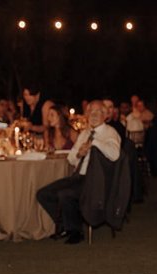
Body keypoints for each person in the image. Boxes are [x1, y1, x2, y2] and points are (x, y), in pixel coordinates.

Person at [35, 100, 120, 245]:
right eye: (90, 112)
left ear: (105, 115)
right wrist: (80, 154)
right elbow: (71, 158)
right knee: (44, 194)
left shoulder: (109, 133)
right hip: (79, 176)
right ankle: (65, 225)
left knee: (65, 194)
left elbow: (114, 154)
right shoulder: (85, 133)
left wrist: (95, 143)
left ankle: (75, 231)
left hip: (97, 181)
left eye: (97, 111)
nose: (93, 115)